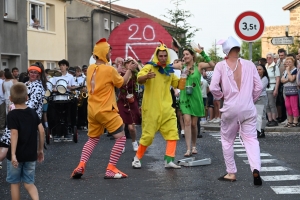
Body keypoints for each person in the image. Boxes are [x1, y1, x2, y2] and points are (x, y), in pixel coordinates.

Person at [71, 38, 137, 179]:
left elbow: (105, 77)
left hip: (92, 110)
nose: (110, 54)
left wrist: (117, 70)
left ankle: (81, 165)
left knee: (93, 139)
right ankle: (110, 169)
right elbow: (121, 83)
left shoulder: (90, 68)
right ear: (103, 53)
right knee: (121, 138)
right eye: (109, 51)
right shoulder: (109, 70)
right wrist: (129, 70)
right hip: (107, 110)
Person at [210, 36, 263, 186]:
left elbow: (214, 87)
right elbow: (259, 87)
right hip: (248, 108)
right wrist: (250, 100)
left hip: (230, 108)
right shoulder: (250, 64)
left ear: (226, 51)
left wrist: (222, 97)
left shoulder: (220, 65)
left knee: (227, 140)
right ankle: (256, 169)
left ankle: (231, 172)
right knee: (251, 140)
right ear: (238, 49)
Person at [131, 41, 182, 169]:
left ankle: (169, 160)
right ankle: (137, 158)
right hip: (151, 108)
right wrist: (146, 77)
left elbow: (178, 85)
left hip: (166, 109)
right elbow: (139, 79)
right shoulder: (149, 67)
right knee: (147, 136)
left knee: (173, 133)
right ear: (157, 56)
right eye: (161, 56)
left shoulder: (169, 71)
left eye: (165, 56)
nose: (163, 58)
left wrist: (185, 73)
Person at [6, 83, 44, 200]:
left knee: (15, 183)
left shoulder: (12, 115)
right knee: (29, 183)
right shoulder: (32, 112)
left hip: (16, 155)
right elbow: (41, 131)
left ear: (11, 99)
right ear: (27, 97)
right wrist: (40, 150)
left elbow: (14, 133)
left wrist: (13, 155)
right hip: (30, 154)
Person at [179, 47, 215, 157]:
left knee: (194, 124)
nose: (185, 56)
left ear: (192, 55)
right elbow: (169, 66)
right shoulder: (182, 66)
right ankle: (188, 149)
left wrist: (202, 52)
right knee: (187, 122)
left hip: (196, 97)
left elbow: (212, 65)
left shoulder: (199, 66)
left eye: (187, 54)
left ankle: (194, 145)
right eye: (184, 54)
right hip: (185, 97)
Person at [117, 57, 142, 151]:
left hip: (132, 100)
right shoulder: (121, 74)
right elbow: (120, 84)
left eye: (131, 63)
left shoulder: (135, 74)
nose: (129, 64)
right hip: (122, 100)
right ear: (125, 64)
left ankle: (134, 142)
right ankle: (121, 144)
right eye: (127, 63)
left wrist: (136, 62)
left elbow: (143, 71)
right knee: (122, 124)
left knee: (131, 127)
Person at [281, 56, 298, 127]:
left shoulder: (294, 70)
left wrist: (288, 72)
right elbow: (282, 80)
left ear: (293, 62)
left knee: (294, 106)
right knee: (288, 106)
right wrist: (287, 79)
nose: (288, 63)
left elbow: (292, 79)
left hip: (293, 90)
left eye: (289, 62)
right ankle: (290, 120)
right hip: (287, 90)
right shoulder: (285, 71)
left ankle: (295, 120)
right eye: (287, 62)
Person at [265, 53, 280, 127]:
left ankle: (274, 119)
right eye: (267, 57)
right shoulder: (266, 66)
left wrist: (276, 89)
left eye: (270, 57)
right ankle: (270, 120)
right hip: (266, 87)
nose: (268, 59)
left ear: (272, 58)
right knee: (267, 105)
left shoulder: (275, 67)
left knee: (272, 104)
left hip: (272, 86)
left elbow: (277, 79)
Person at [255, 64, 270, 138]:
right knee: (256, 115)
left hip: (261, 97)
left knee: (261, 115)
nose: (258, 71)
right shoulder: (254, 78)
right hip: (254, 98)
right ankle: (257, 130)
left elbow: (259, 87)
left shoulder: (264, 78)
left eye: (260, 69)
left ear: (263, 70)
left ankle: (262, 130)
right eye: (257, 69)